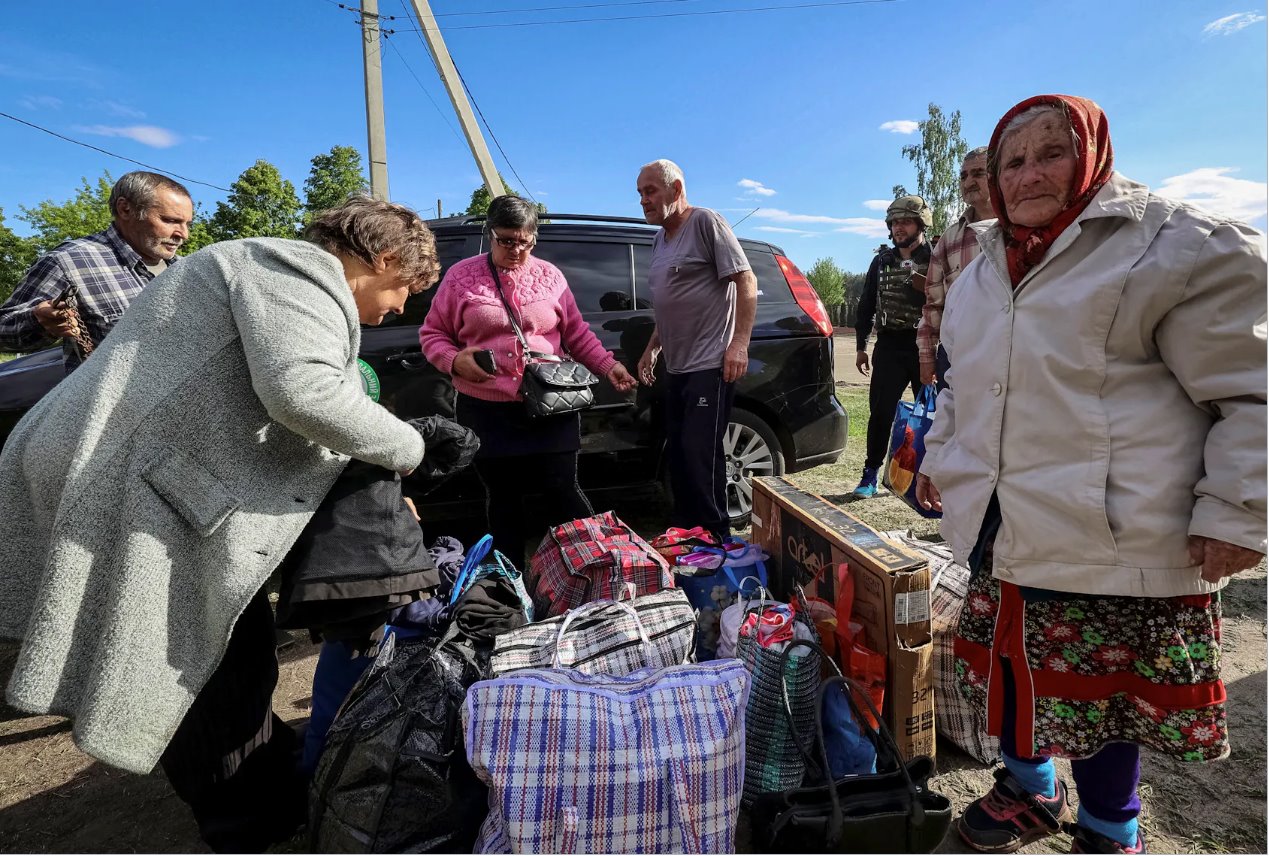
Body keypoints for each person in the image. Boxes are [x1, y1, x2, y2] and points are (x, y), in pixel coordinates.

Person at [0, 196, 442, 852]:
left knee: (222, 641)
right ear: (381, 260)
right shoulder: (294, 273)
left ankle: (256, 785)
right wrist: (414, 449)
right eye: (404, 289)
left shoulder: (262, 269)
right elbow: (305, 394)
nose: (400, 309)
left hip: (124, 466)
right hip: (120, 477)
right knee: (195, 656)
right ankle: (249, 822)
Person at [916, 95, 1266, 854]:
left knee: (1102, 694)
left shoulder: (1172, 245)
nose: (1029, 172)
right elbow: (957, 384)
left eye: (1051, 151)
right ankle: (1028, 788)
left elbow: (1253, 390)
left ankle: (1110, 828)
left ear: (1093, 155)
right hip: (1001, 517)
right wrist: (941, 460)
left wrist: (1236, 512)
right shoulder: (981, 267)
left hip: (1110, 526)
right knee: (1009, 670)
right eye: (1012, 160)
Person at [419, 194, 636, 568]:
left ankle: (595, 570)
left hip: (551, 404)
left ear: (534, 237)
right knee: (503, 499)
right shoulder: (461, 277)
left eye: (524, 241)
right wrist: (455, 360)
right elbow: (432, 334)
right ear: (489, 234)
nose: (516, 249)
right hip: (487, 409)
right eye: (506, 240)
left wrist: (607, 365)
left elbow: (577, 333)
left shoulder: (551, 276)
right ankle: (511, 584)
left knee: (563, 491)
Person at [634, 158, 758, 541]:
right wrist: (653, 347)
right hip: (678, 366)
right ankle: (689, 535)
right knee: (681, 456)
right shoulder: (659, 239)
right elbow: (671, 302)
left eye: (650, 191)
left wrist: (738, 344)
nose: (643, 201)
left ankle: (717, 537)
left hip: (710, 362)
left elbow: (746, 279)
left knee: (700, 454)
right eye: (640, 194)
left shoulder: (706, 222)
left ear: (676, 189)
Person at [0, 171, 195, 371]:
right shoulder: (69, 262)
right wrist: (38, 321)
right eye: (170, 220)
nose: (183, 235)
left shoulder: (189, 270)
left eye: (187, 224)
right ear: (125, 209)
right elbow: (3, 329)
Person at [851, 194, 932, 498]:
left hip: (926, 347)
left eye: (906, 221)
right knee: (881, 413)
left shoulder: (937, 256)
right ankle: (870, 473)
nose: (899, 227)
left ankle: (932, 477)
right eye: (895, 222)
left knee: (933, 415)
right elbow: (867, 304)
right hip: (889, 346)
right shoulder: (882, 261)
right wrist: (861, 345)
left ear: (920, 223)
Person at [917, 147, 995, 388]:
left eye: (978, 174)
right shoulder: (949, 239)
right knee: (954, 424)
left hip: (1013, 354)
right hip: (956, 357)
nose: (969, 182)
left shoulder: (1023, 228)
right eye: (963, 176)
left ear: (999, 175)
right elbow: (933, 304)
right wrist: (927, 357)